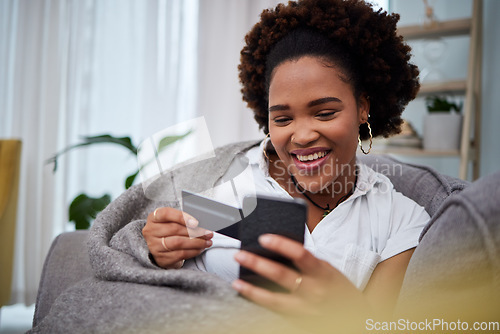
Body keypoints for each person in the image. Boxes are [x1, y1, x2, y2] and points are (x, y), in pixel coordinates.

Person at [142, 0, 428, 328]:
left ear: (363, 108)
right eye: (282, 118)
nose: (302, 136)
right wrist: (157, 253)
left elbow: (379, 325)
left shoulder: (401, 219)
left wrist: (346, 307)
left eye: (325, 112)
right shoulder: (221, 185)